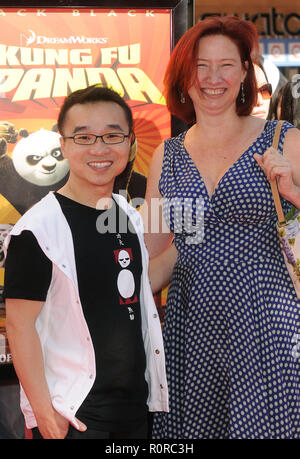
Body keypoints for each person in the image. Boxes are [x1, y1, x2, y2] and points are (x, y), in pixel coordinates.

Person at [143, 16, 300, 439]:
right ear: (183, 76)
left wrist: (292, 188)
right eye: (201, 65)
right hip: (191, 328)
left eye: (226, 65)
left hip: (269, 324)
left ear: (245, 72)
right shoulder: (167, 155)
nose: (213, 78)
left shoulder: (283, 138)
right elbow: (153, 257)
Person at [3, 85, 176, 439]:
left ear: (130, 145)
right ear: (64, 145)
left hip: (134, 409)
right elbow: (20, 329)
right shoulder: (36, 230)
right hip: (75, 416)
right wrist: (43, 412)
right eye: (84, 137)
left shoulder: (127, 214)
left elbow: (139, 282)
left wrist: (198, 240)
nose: (100, 148)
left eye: (112, 135)